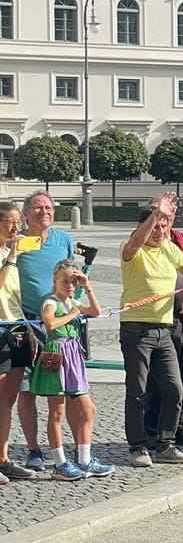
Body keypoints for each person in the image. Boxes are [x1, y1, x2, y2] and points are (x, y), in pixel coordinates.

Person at [120, 194, 183, 467]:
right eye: (155, 226)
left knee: (173, 388)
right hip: (136, 330)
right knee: (138, 392)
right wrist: (157, 213)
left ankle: (165, 445)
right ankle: (138, 447)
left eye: (165, 226)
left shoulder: (169, 248)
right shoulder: (133, 248)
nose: (160, 231)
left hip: (164, 330)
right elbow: (136, 241)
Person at [29, 259, 115, 480]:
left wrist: (87, 286)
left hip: (73, 356)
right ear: (55, 281)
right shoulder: (51, 302)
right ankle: (60, 463)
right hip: (56, 355)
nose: (69, 286)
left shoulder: (73, 301)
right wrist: (72, 314)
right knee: (56, 412)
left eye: (73, 282)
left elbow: (95, 311)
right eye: (65, 281)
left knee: (88, 409)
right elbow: (49, 324)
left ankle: (84, 459)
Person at [16, 191, 75, 472]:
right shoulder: (18, 241)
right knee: (26, 389)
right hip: (25, 323)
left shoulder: (63, 239)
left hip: (58, 326)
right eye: (37, 208)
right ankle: (32, 449)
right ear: (26, 212)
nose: (44, 212)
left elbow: (71, 273)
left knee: (60, 390)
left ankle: (64, 450)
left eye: (48, 207)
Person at [144, 199, 183, 448]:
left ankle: (179, 427)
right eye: (159, 216)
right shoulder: (144, 242)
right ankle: (152, 428)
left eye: (167, 218)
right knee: (159, 379)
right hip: (157, 320)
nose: (163, 223)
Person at [0, 202, 36, 484]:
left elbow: (13, 296)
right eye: (9, 223)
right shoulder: (8, 255)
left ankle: (3, 459)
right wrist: (12, 256)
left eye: (17, 223)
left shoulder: (10, 252)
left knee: (8, 400)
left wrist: (27, 326)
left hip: (16, 328)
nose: (15, 228)